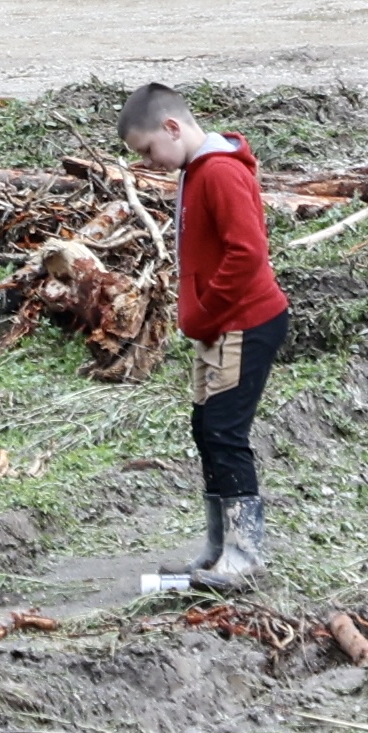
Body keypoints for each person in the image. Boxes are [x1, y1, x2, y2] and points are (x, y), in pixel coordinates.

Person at [126, 77, 287, 597]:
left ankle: (245, 554)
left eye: (148, 150)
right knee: (205, 428)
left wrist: (209, 309)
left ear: (172, 127)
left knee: (224, 431)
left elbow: (248, 253)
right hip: (218, 326)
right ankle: (218, 548)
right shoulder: (195, 170)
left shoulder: (218, 172)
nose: (149, 163)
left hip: (243, 322)